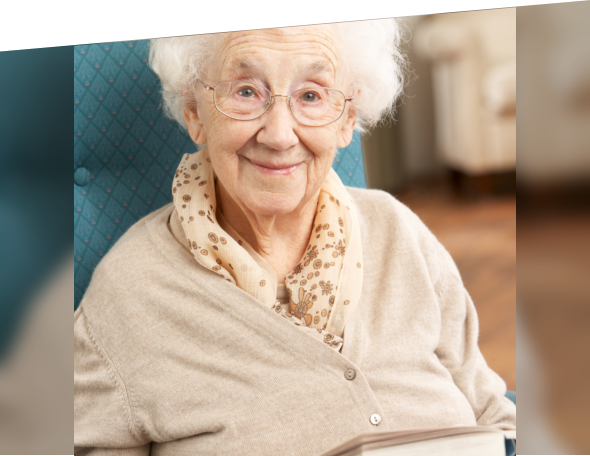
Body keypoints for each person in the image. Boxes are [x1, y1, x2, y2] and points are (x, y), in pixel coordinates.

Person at [74, 20, 516, 455]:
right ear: (194, 112)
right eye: (246, 92)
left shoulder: (397, 232)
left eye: (311, 95)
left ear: (347, 119)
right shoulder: (129, 295)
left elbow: (494, 417)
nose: (280, 134)